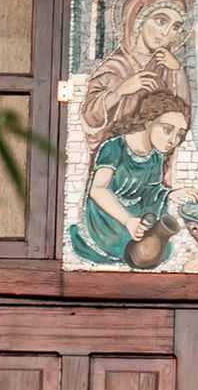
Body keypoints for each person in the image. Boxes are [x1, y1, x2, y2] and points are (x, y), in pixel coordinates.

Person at [69, 84, 185, 268]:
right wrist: (127, 220)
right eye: (168, 129)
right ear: (148, 122)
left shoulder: (156, 156)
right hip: (108, 218)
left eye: (180, 134)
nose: (173, 140)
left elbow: (150, 191)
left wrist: (168, 194)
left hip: (135, 216)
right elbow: (98, 190)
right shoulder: (114, 147)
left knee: (161, 250)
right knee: (136, 249)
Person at [79, 0, 192, 148]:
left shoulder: (169, 68)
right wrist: (120, 91)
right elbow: (90, 117)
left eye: (175, 27)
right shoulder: (113, 67)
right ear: (138, 18)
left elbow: (183, 117)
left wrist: (179, 71)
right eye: (161, 21)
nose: (166, 33)